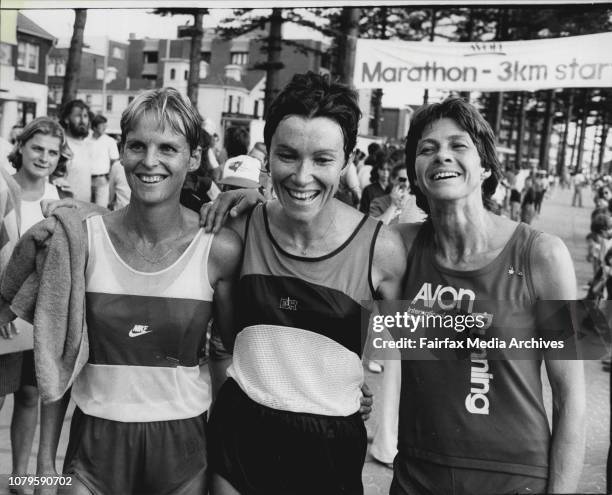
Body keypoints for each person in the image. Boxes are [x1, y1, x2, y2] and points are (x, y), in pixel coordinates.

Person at [31, 88, 243, 494]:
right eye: (137, 146)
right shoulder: (82, 240)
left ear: (194, 158)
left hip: (184, 449)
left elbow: (227, 353)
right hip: (93, 449)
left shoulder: (219, 249)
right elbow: (56, 359)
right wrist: (42, 469)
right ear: (121, 151)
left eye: (168, 148)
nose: (150, 161)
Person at [203, 72, 405, 495]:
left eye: (322, 159)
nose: (301, 176)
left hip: (329, 452)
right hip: (240, 436)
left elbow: (418, 349)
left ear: (347, 161)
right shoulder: (240, 228)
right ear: (268, 156)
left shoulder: (380, 251)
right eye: (288, 155)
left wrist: (345, 383)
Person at [391, 97, 585, 494]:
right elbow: (322, 240)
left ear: (486, 166)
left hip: (514, 477)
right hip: (418, 474)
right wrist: (253, 205)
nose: (441, 155)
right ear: (415, 171)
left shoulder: (544, 253)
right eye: (427, 149)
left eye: (458, 145)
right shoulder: (398, 248)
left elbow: (571, 398)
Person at [0, 117, 71, 493]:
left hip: (38, 316)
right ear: (22, 147)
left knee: (30, 395)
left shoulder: (60, 201)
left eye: (52, 151)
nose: (44, 157)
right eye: (37, 148)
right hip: (2, 317)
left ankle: (20, 478)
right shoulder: (2, 191)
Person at [60, 99, 95, 202]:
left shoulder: (88, 145)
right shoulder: (61, 145)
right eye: (78, 116)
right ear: (66, 119)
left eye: (85, 116)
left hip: (84, 209)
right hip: (64, 209)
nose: (83, 121)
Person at [89, 114, 120, 208]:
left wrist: (109, 178)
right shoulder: (85, 140)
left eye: (105, 125)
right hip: (85, 179)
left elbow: (114, 161)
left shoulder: (110, 141)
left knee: (100, 210)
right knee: (83, 209)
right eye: (102, 125)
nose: (105, 127)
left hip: (102, 180)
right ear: (94, 127)